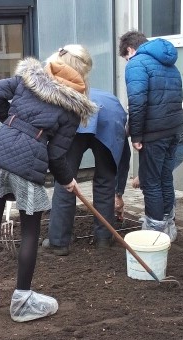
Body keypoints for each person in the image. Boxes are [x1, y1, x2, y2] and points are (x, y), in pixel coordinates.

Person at [0, 44, 97, 322]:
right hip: (28, 163)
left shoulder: (29, 80)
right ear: (82, 73)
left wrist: (12, 123)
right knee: (30, 232)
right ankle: (22, 300)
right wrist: (68, 180)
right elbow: (56, 155)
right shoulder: (71, 108)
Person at [42, 88, 127, 255]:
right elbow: (122, 160)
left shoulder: (64, 98)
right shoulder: (114, 105)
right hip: (109, 121)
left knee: (65, 180)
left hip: (77, 120)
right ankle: (104, 239)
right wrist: (119, 191)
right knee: (106, 180)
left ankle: (58, 242)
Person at [118, 30, 183, 241]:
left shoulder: (137, 64)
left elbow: (137, 102)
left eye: (126, 57)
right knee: (165, 177)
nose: (127, 61)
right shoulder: (169, 64)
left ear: (130, 50)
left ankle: (155, 231)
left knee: (151, 181)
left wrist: (136, 136)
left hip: (154, 133)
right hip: (174, 129)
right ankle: (168, 225)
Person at [114, 113, 183, 221]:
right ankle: (165, 216)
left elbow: (151, 155)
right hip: (176, 131)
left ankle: (164, 217)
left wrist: (142, 175)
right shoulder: (131, 122)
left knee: (160, 174)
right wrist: (118, 194)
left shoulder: (139, 125)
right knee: (158, 174)